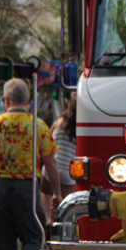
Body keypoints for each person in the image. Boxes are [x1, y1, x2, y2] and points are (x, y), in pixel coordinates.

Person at [0, 79, 62, 250]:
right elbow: (50, 163)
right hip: (27, 189)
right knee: (34, 236)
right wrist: (57, 192)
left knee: (4, 241)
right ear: (27, 99)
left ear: (6, 101)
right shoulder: (38, 126)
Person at [40, 94, 77, 224]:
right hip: (68, 170)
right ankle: (60, 225)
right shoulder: (81, 126)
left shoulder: (59, 121)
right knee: (66, 204)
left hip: (52, 166)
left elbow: (49, 139)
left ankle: (47, 219)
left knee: (45, 192)